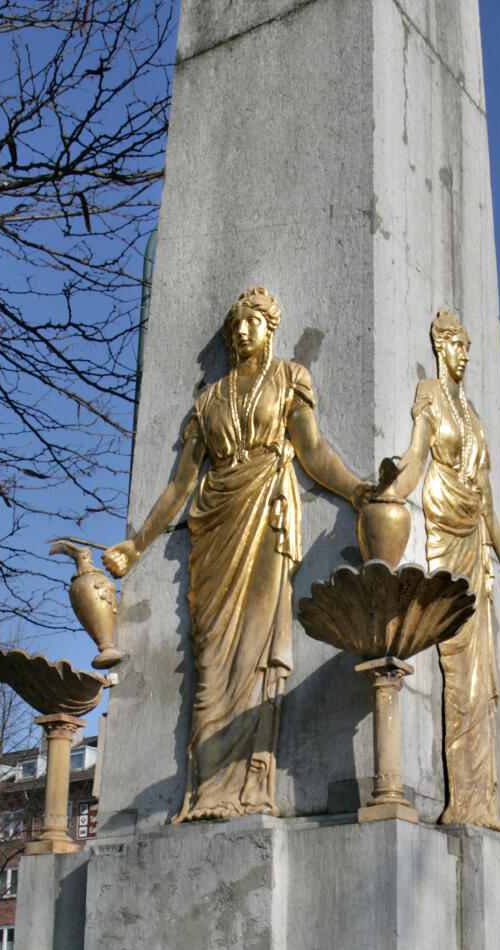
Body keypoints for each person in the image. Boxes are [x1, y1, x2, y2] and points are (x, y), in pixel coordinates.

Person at [104, 286, 372, 821]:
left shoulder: (289, 378)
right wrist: (136, 546)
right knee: (210, 656)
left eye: (253, 322)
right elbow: (181, 486)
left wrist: (358, 491)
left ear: (270, 327)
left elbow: (313, 451)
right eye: (237, 325)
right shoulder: (209, 400)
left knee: (252, 649)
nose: (243, 330)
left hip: (267, 512)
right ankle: (208, 788)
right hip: (216, 523)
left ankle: (249, 785)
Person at [391, 310, 500, 831]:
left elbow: (490, 505)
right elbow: (414, 455)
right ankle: (462, 798)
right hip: (443, 533)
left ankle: (479, 801)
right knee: (456, 664)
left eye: (469, 346)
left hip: (474, 540)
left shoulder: (473, 415)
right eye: (458, 345)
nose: (466, 354)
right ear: (440, 346)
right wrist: (388, 493)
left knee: (480, 675)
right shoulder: (430, 394)